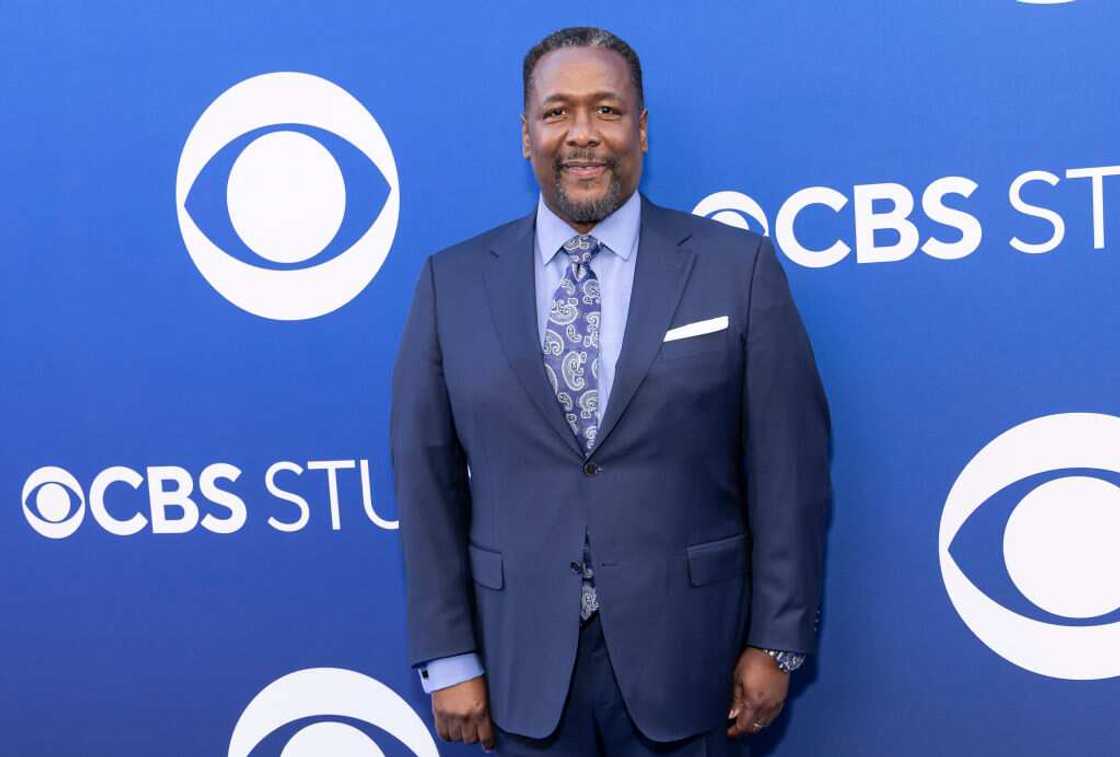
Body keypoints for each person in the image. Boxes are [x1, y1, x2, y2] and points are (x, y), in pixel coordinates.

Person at [390, 26, 830, 756]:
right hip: (517, 672)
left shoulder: (736, 269)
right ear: (526, 136)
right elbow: (425, 481)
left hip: (694, 667)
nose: (583, 135)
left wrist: (777, 642)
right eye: (557, 112)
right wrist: (450, 655)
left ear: (642, 129)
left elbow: (790, 473)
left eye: (607, 110)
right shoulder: (451, 284)